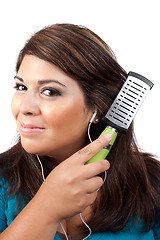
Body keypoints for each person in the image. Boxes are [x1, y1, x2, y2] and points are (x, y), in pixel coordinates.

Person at [0, 23, 160, 240]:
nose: (25, 108)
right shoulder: (3, 181)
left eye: (50, 91)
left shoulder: (152, 183)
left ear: (97, 107)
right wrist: (45, 209)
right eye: (21, 87)